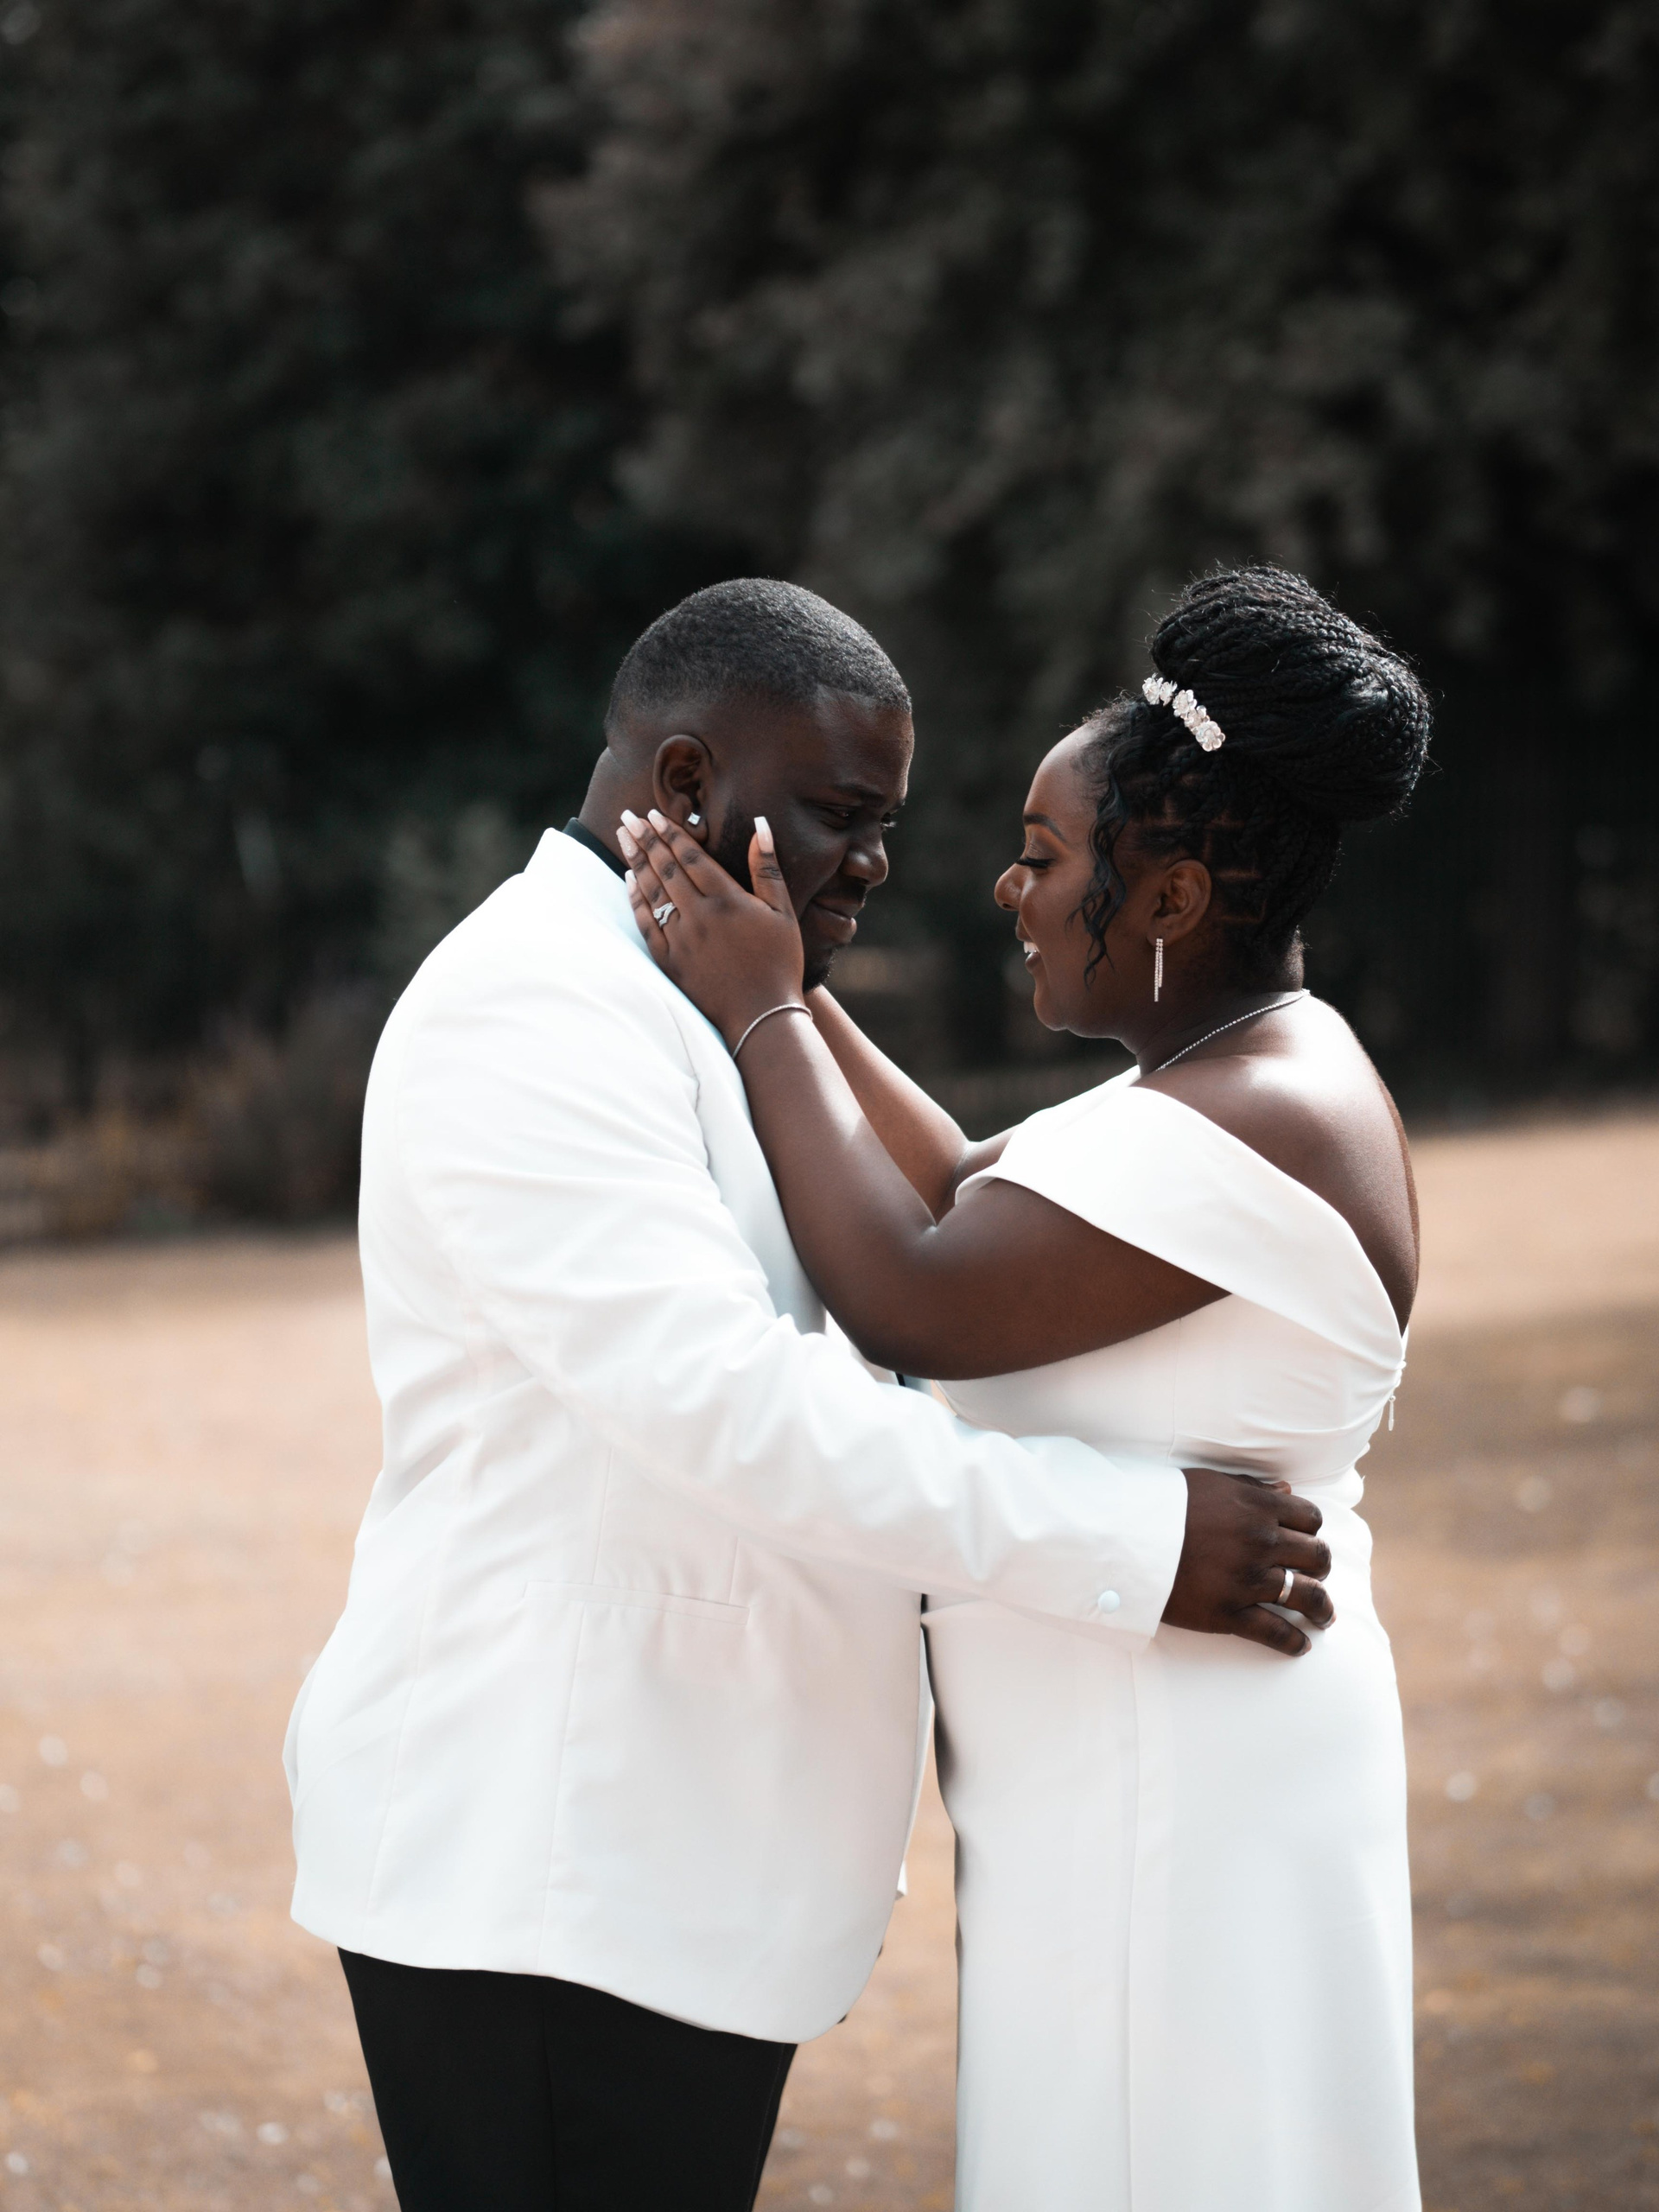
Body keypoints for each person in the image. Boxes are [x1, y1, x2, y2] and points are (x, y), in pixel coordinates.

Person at [283, 579, 1332, 2212]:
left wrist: (782, 997)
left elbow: (943, 1219)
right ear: (686, 784)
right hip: (552, 1869)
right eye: (844, 813)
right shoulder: (534, 1007)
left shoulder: (696, 992)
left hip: (671, 1866)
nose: (877, 863)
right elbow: (729, 1407)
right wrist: (1130, 1541)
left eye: (885, 824)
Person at [620, 565, 1427, 2211]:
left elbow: (912, 1290)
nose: (1010, 888)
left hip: (1176, 1787)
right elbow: (962, 1187)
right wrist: (792, 982)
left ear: (1171, 898)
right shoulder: (1223, 1073)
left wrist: (760, 1008)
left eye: (1048, 857)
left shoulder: (1261, 1113)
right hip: (1131, 1772)